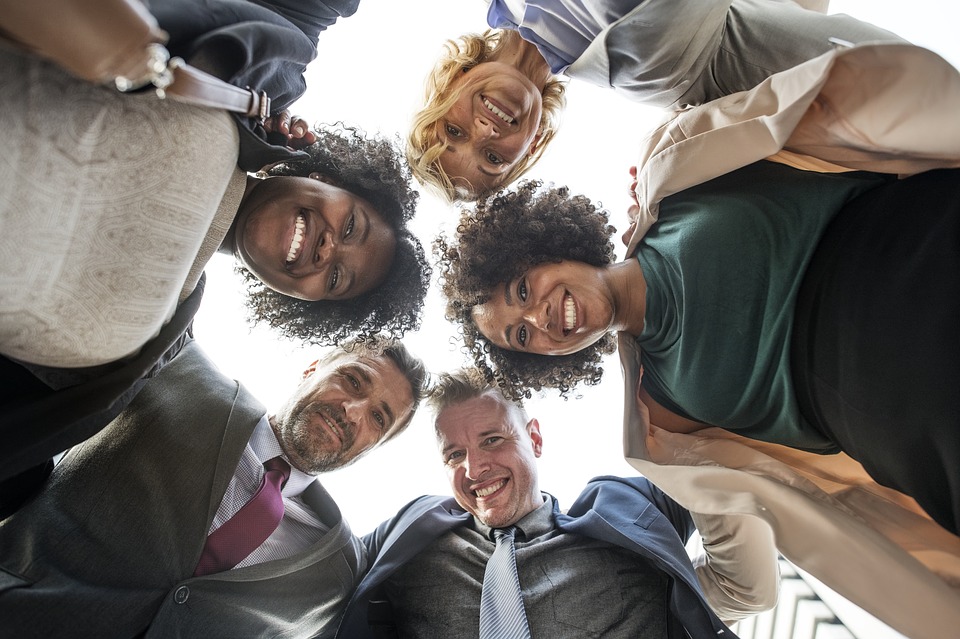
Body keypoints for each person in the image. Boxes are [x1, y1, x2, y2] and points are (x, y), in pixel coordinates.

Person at [435, 171, 960, 635]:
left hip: (916, 233)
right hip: (888, 407)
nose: (539, 321)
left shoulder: (676, 186)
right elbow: (745, 581)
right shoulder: (663, 417)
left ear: (547, 244)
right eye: (521, 336)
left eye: (523, 290)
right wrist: (639, 616)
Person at [0, 335, 428, 638]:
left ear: (376, 446)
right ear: (312, 369)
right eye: (353, 381)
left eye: (378, 418)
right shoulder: (179, 371)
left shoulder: (338, 570)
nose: (352, 412)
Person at [336, 368, 779, 638]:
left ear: (534, 438)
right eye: (455, 454)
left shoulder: (623, 514)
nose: (473, 469)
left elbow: (709, 460)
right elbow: (321, 567)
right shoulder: (414, 535)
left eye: (492, 440)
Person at [408, 2, 904, 201]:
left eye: (454, 132)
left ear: (450, 84)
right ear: (530, 145)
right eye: (493, 159)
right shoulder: (659, 73)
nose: (486, 133)